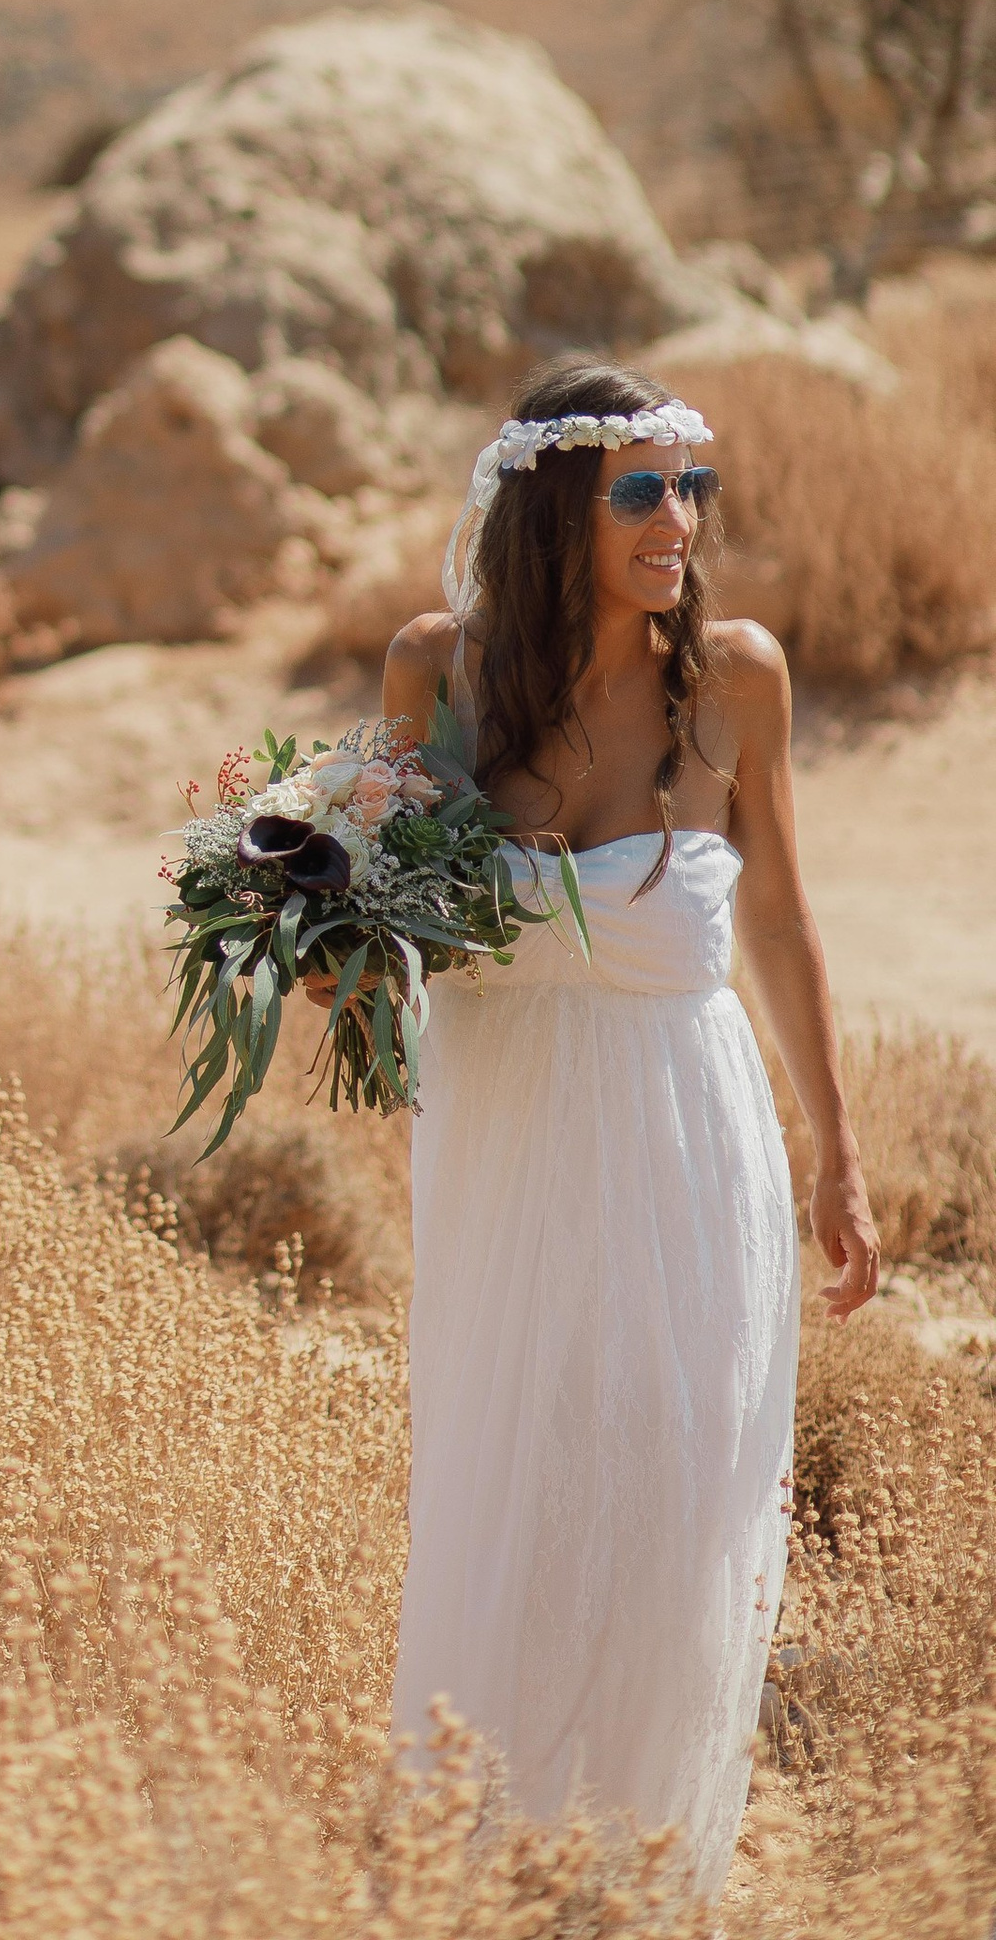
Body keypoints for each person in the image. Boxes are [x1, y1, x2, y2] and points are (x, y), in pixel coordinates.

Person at [331, 353, 878, 1896]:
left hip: (686, 1138)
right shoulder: (436, 673)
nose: (678, 520)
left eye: (690, 488)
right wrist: (327, 964)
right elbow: (372, 916)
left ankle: (634, 1865)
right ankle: (483, 1853)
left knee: (672, 1475)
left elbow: (779, 921)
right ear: (556, 505)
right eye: (642, 490)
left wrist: (836, 1153)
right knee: (519, 1469)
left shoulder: (740, 680)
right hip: (509, 1146)